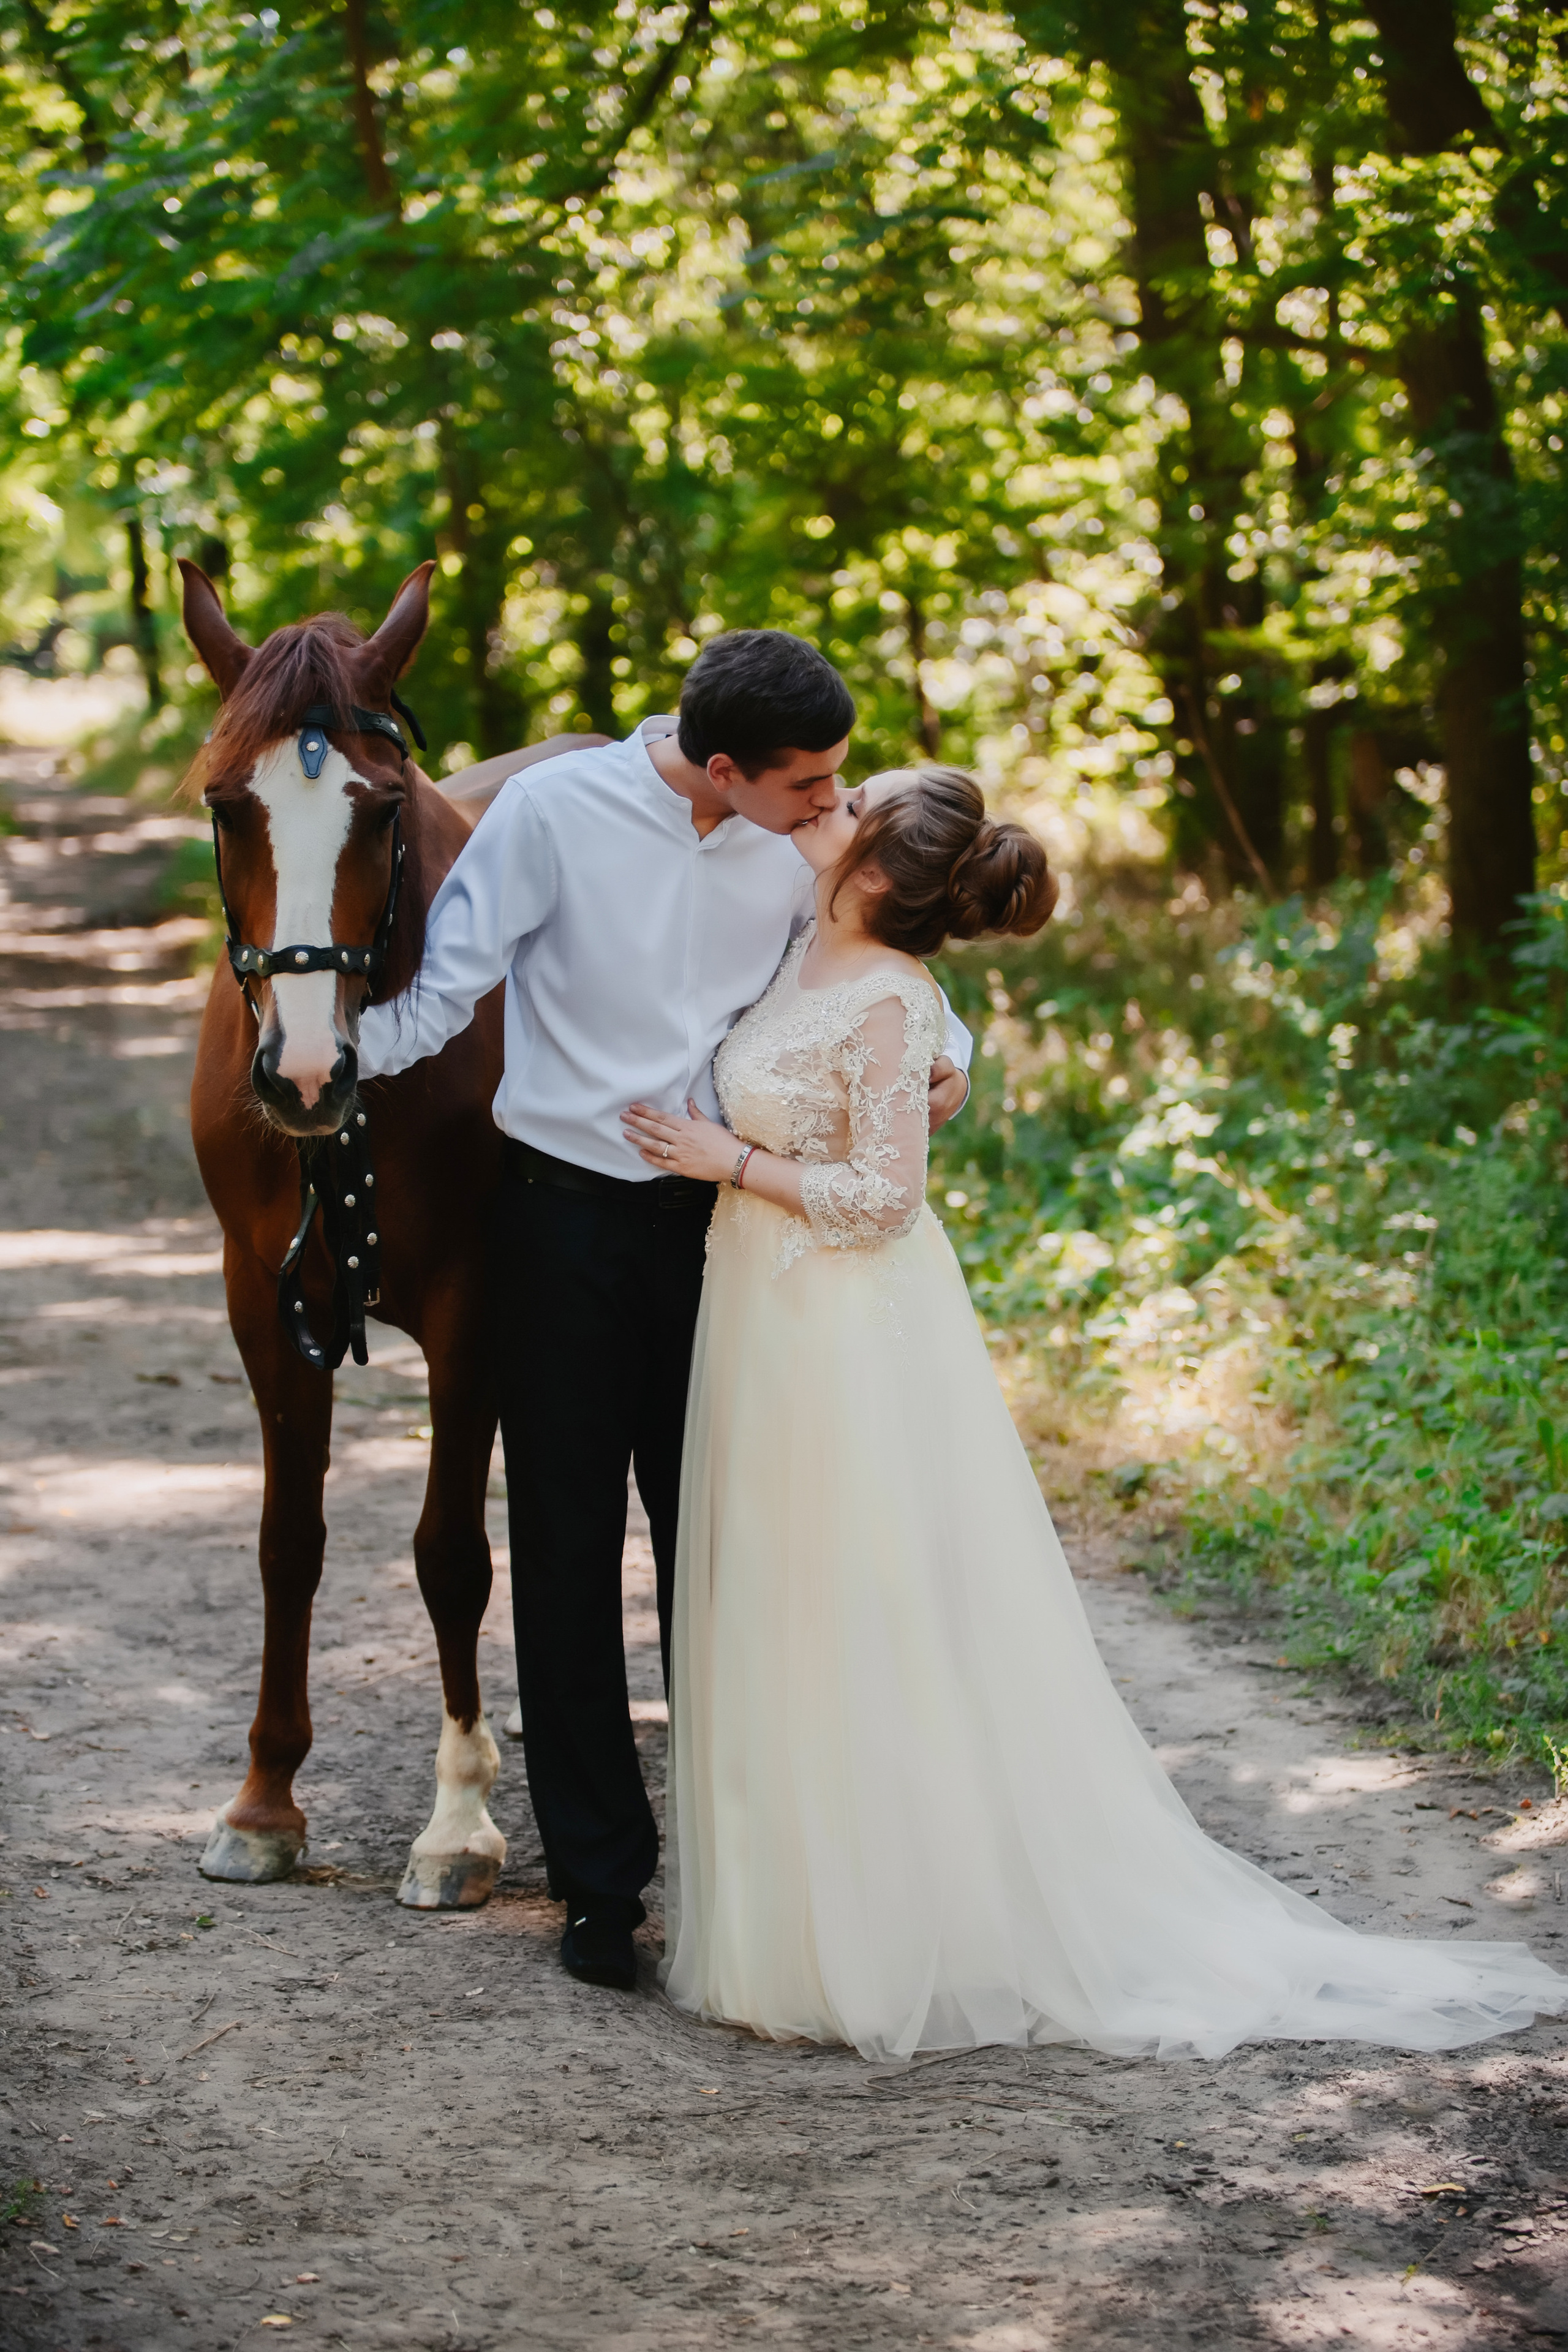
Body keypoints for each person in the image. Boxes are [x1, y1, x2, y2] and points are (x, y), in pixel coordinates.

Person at [624, 765, 1568, 2063]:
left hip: (846, 1325)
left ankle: (897, 1934)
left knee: (868, 1598)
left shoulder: (894, 996)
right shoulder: (802, 940)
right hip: (763, 1312)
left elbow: (887, 1197)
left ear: (880, 877)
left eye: (847, 809)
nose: (821, 809)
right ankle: (790, 1918)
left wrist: (725, 1158)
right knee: (783, 1598)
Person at [355, 632, 973, 1993]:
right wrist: (320, 1059)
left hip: (734, 1233)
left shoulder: (797, 831)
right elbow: (448, 984)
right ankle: (597, 1882)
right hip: (560, 1215)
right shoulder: (555, 815)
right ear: (721, 767)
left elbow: (882, 959)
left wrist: (951, 1061)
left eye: (831, 780)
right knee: (568, 1553)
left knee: (731, 1545)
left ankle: (746, 1861)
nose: (832, 803)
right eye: (805, 784)